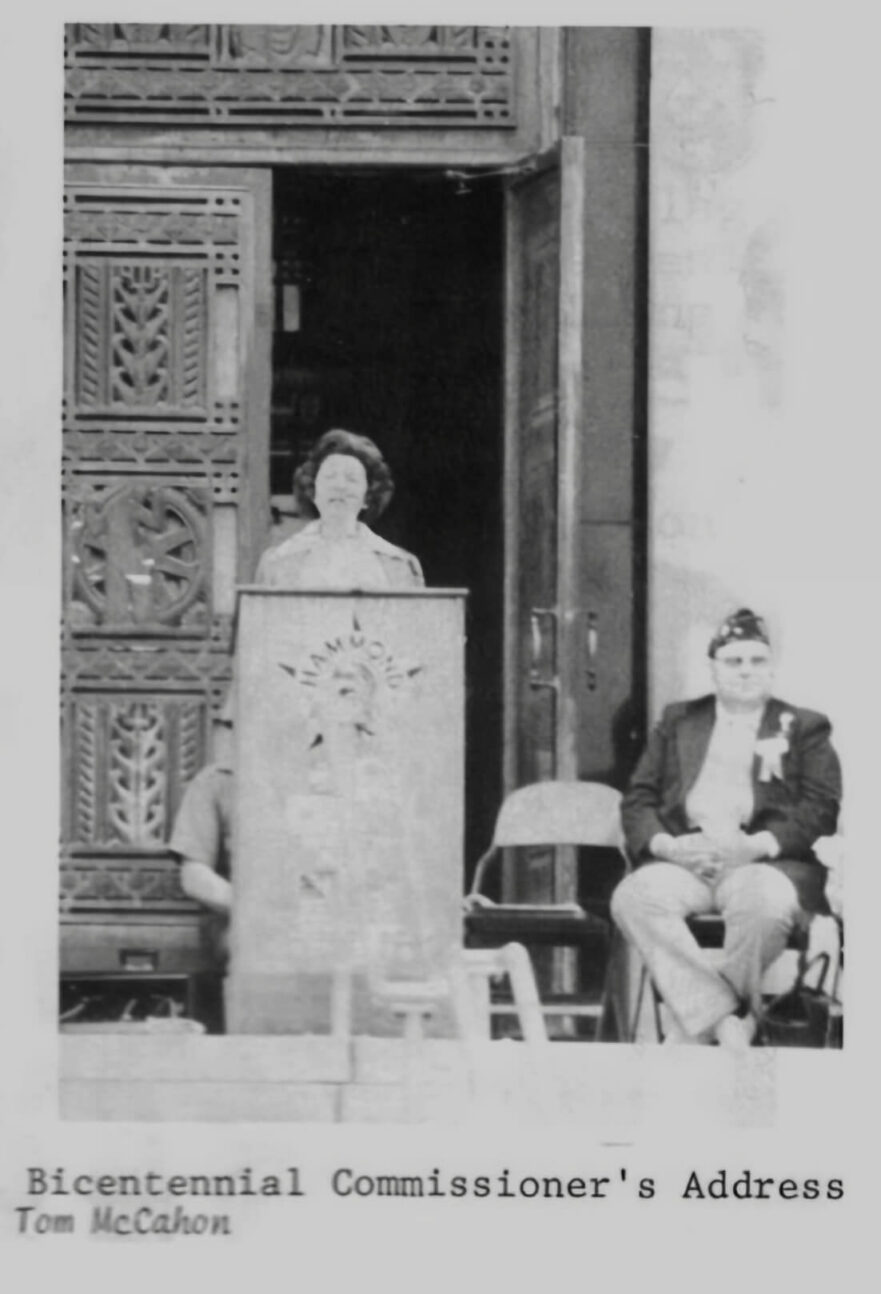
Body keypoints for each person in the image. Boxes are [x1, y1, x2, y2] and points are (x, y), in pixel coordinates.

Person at [611, 608, 841, 1049]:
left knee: (765, 906)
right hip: (688, 861)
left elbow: (821, 808)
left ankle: (692, 1032)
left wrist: (754, 846)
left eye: (757, 661)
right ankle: (727, 1021)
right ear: (713, 668)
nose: (746, 671)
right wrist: (670, 847)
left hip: (762, 864)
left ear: (772, 668)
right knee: (633, 898)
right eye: (734, 661)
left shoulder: (805, 727)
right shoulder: (679, 721)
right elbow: (638, 798)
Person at [257, 428, 424, 589]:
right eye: (330, 477)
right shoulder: (278, 561)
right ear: (313, 491)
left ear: (367, 496)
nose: (340, 486)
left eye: (352, 479)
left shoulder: (398, 564)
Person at [169, 718, 234, 968]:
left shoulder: (332, 782)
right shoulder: (216, 782)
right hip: (247, 924)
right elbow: (194, 876)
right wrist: (256, 910)